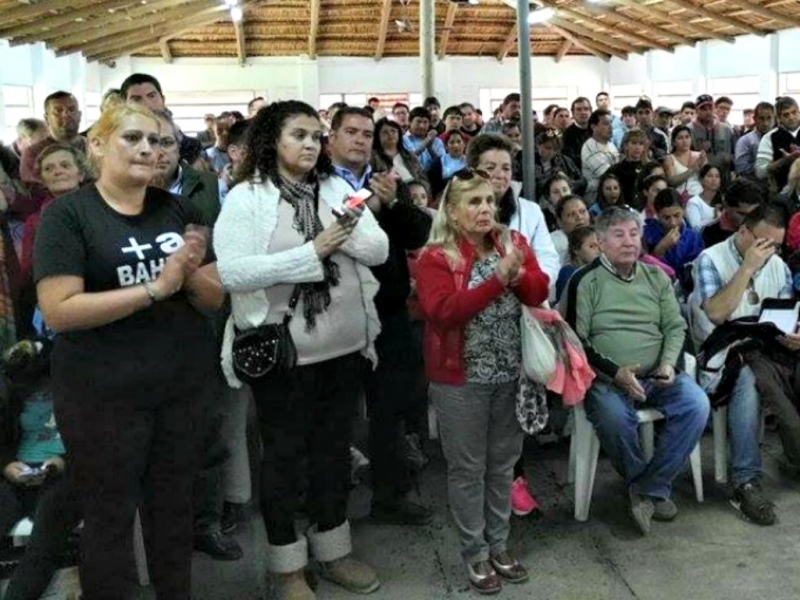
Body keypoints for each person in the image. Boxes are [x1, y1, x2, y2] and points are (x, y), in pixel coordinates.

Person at [33, 103, 224, 599]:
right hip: (102, 397)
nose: (148, 150)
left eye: (159, 142)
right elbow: (59, 310)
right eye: (133, 138)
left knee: (173, 512)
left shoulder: (180, 209)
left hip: (179, 390)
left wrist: (192, 268)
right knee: (109, 519)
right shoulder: (68, 215)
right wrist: (157, 288)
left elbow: (214, 296)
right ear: (97, 145)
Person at [214, 101, 388, 599]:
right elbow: (232, 272)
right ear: (273, 140)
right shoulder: (247, 198)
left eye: (316, 135)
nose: (310, 144)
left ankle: (334, 550)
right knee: (284, 459)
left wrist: (341, 238)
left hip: (345, 349)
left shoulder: (337, 187)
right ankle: (286, 566)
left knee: (334, 453)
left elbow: (377, 250)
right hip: (284, 358)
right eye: (298, 134)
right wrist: (313, 252)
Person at [415, 168, 549, 594]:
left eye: (490, 200)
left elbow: (539, 291)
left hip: (510, 374)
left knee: (503, 466)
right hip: (460, 380)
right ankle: (474, 551)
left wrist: (518, 271)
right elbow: (444, 312)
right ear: (452, 213)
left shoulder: (511, 242)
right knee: (468, 468)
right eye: (474, 202)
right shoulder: (435, 257)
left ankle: (499, 543)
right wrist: (499, 278)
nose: (485, 209)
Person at [561, 207, 710, 535]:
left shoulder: (657, 277)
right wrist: (616, 374)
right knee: (615, 417)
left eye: (633, 234)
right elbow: (574, 343)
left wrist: (669, 363)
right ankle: (648, 485)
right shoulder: (583, 281)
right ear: (600, 242)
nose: (629, 242)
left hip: (658, 372)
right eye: (619, 235)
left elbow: (674, 327)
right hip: (607, 379)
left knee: (697, 405)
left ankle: (646, 488)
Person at [328, 106, 435, 527]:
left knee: (390, 407)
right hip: (336, 314)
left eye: (366, 133)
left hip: (387, 311)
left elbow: (419, 233)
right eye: (350, 132)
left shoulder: (385, 180)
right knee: (335, 412)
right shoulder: (318, 185)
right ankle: (330, 503)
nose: (360, 140)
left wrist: (392, 203)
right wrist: (366, 206)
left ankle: (391, 496)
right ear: (331, 138)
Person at [692, 204, 793, 526]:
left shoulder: (778, 266)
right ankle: (745, 481)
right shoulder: (710, 259)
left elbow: (786, 317)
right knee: (748, 378)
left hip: (767, 349)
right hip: (723, 356)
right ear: (743, 231)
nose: (769, 251)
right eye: (763, 243)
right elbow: (717, 314)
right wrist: (747, 269)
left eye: (776, 245)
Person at [0, 338, 83, 600]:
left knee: (43, 543)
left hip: (64, 474)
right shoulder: (15, 397)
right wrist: (7, 466)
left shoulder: (78, 393)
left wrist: (62, 461)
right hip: (20, 473)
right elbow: (4, 441)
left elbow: (96, 441)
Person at [467, 135, 560, 284]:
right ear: (472, 171)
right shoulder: (457, 212)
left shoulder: (531, 211)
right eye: (491, 168)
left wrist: (527, 281)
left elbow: (547, 257)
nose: (500, 175)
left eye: (506, 168)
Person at [120, 73, 203, 166]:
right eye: (136, 99)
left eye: (151, 96)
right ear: (123, 104)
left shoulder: (191, 148)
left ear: (163, 100)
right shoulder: (117, 146)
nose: (146, 104)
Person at [19, 92, 86, 187]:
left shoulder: (94, 147)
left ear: (79, 115)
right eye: (58, 111)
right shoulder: (33, 153)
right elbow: (33, 191)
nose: (66, 115)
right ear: (47, 118)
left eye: (72, 109)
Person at [643, 188, 704, 287]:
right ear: (657, 214)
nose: (673, 222)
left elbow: (697, 271)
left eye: (677, 215)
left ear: (683, 210)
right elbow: (642, 270)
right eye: (666, 217)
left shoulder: (693, 238)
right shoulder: (646, 234)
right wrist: (659, 251)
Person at [701, 177, 764, 248]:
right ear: (727, 206)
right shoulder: (709, 233)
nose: (749, 219)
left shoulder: (765, 228)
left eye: (754, 213)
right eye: (742, 214)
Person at [756, 96, 800, 194]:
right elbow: (760, 172)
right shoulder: (770, 137)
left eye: (794, 112)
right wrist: (785, 160)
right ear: (779, 118)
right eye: (786, 115)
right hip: (783, 196)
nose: (791, 117)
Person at [688, 94, 735, 179]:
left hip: (724, 176)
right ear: (697, 110)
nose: (708, 111)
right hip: (699, 177)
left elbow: (733, 153)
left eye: (710, 108)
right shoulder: (689, 130)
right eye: (703, 109)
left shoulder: (726, 129)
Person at [372, 118, 427, 187]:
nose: (390, 134)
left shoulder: (409, 156)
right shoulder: (373, 157)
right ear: (378, 136)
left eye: (393, 131)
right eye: (385, 132)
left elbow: (423, 179)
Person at [533, 127, 585, 201]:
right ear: (538, 145)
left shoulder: (564, 160)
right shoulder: (527, 162)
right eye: (547, 148)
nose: (551, 152)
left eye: (555, 149)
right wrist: (552, 176)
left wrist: (568, 182)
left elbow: (582, 181)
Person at [581, 109, 619, 203]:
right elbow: (607, 175)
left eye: (611, 123)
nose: (611, 127)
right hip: (596, 199)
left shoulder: (611, 145)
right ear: (594, 127)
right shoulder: (590, 146)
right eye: (606, 124)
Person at [555, 225, 599, 303]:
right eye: (592, 246)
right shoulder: (568, 273)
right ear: (576, 250)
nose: (599, 250)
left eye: (600, 245)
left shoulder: (598, 270)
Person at [607, 128, 649, 209]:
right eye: (633, 143)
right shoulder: (615, 170)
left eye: (641, 144)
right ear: (625, 145)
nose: (637, 147)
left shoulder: (649, 168)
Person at [664, 125, 706, 200]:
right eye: (680, 138)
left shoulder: (700, 156)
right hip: (679, 198)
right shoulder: (670, 159)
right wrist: (693, 168)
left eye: (687, 137)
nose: (684, 141)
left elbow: (707, 179)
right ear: (673, 142)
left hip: (700, 196)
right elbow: (672, 181)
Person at [735, 102, 774, 179]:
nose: (765, 123)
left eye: (769, 118)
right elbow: (742, 169)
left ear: (775, 118)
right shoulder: (745, 141)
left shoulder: (781, 138)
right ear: (755, 119)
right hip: (753, 186)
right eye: (761, 118)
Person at [551, 195, 591, 266]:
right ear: (559, 221)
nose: (579, 217)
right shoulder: (554, 244)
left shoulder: (600, 236)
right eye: (571, 214)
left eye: (582, 211)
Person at [402, 107, 445, 172]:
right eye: (418, 122)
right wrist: (425, 144)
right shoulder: (402, 140)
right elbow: (406, 161)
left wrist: (430, 149)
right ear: (409, 121)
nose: (422, 126)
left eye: (425, 122)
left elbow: (444, 165)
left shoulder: (437, 141)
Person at [429, 129, 468, 199]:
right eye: (452, 142)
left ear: (464, 144)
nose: (456, 145)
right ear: (446, 146)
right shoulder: (438, 162)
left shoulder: (470, 162)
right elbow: (434, 187)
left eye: (459, 142)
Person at [685, 165, 723, 231]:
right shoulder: (694, 202)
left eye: (717, 176)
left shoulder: (725, 200)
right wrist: (716, 220)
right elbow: (695, 228)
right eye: (710, 176)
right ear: (701, 180)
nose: (714, 179)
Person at [634, 98, 668, 163]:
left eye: (647, 112)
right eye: (640, 113)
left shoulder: (661, 135)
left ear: (652, 114)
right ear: (636, 115)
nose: (644, 116)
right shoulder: (630, 134)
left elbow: (666, 159)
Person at [562, 97, 592, 169]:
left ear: (591, 111)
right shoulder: (566, 134)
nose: (583, 112)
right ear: (573, 113)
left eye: (586, 109)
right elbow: (569, 158)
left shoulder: (597, 131)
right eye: (579, 109)